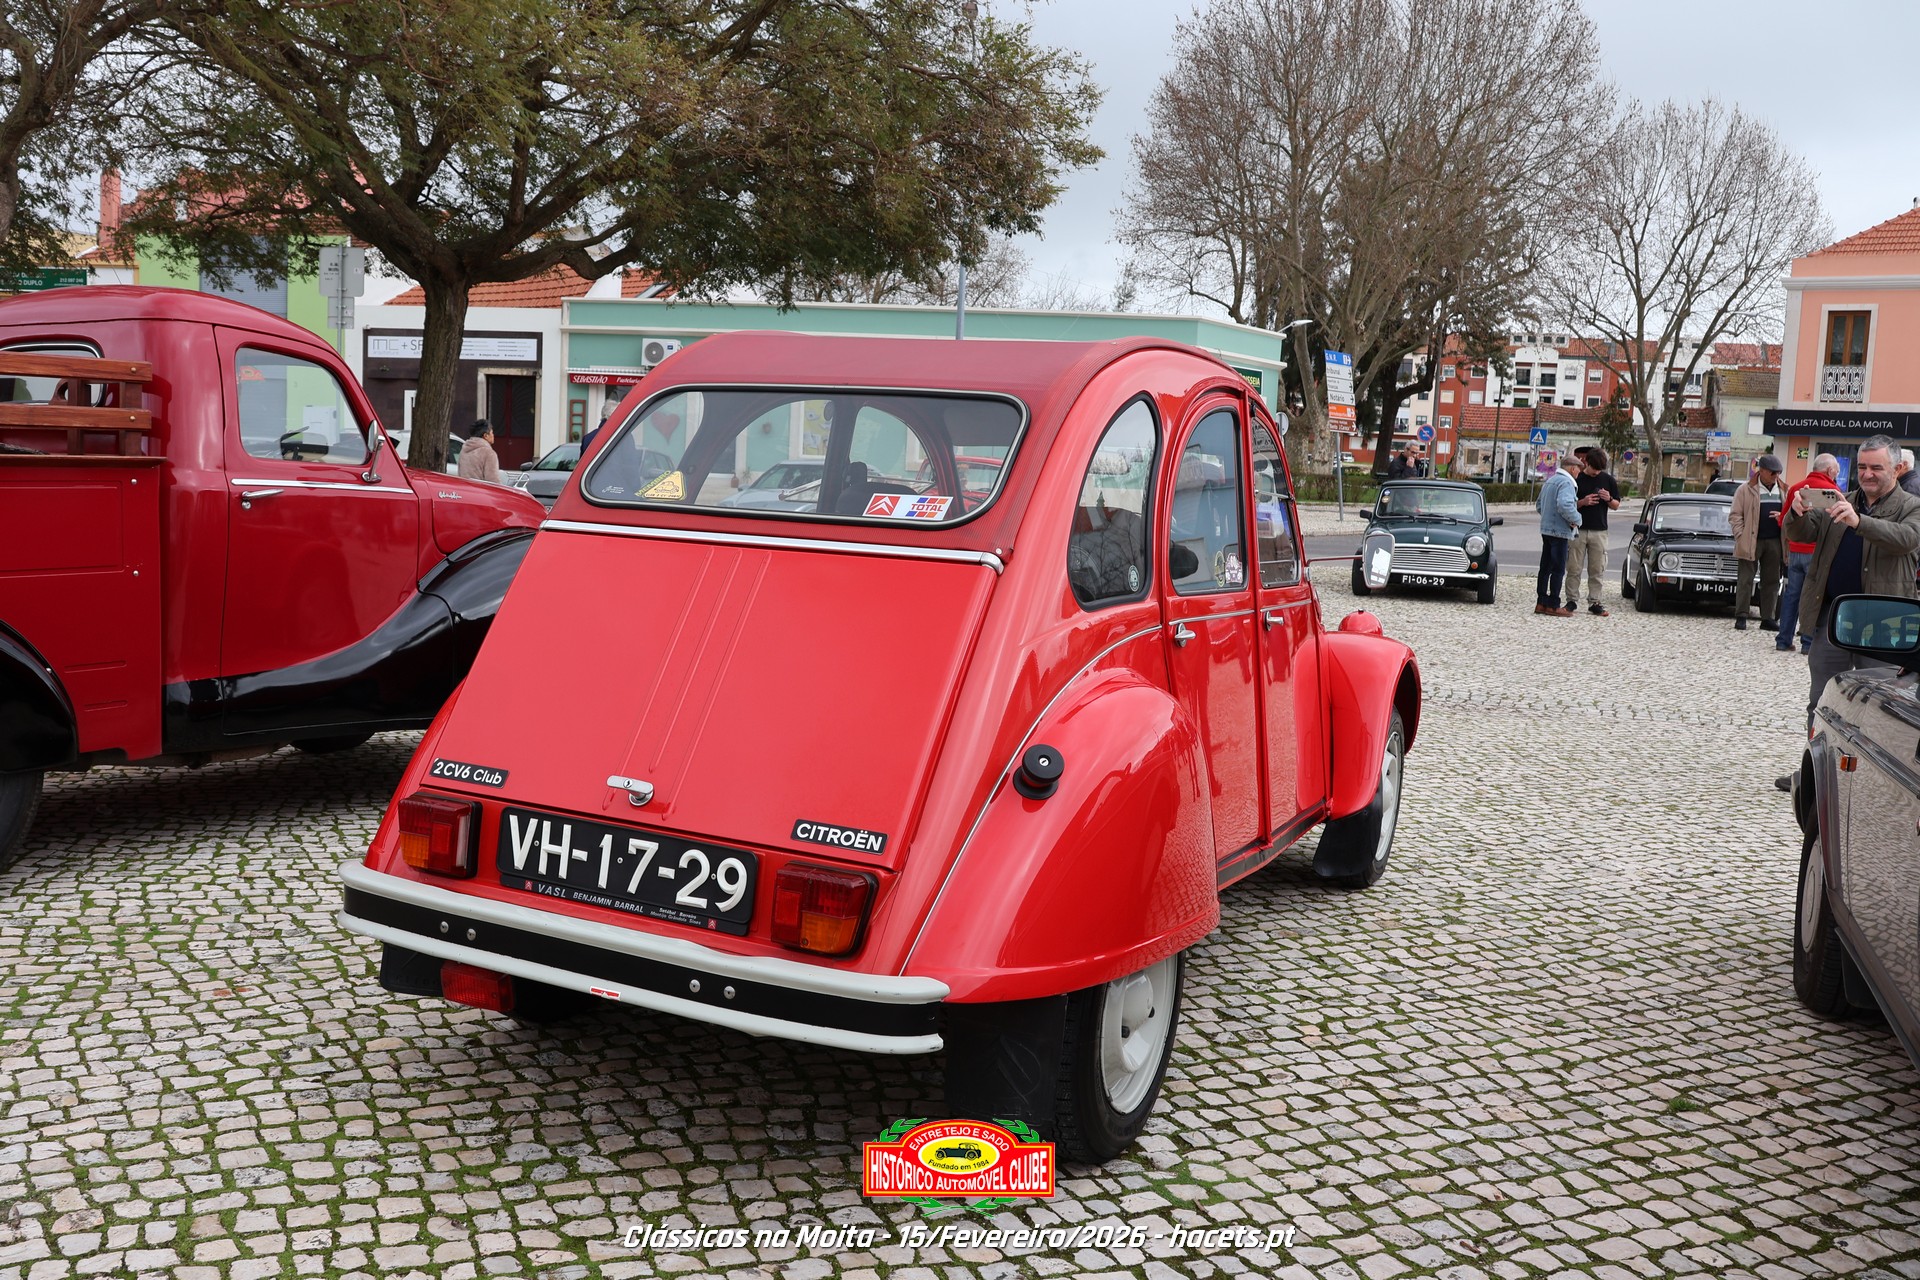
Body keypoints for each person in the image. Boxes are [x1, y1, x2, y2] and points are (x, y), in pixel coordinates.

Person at [1779, 435, 1920, 787]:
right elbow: (1802, 533)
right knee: (1821, 699)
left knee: (1884, 707)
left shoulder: (1912, 506)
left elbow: (1906, 539)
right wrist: (1796, 512)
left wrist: (1859, 522)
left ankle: (1877, 783)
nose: (1867, 474)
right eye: (1862, 467)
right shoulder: (1837, 500)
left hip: (1884, 626)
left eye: (1876, 467)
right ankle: (1814, 775)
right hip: (1833, 619)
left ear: (1896, 469)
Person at [1776, 453, 1840, 655]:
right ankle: (1807, 642)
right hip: (1817, 553)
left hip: (1795, 550)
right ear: (1830, 470)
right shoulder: (1832, 492)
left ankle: (1783, 640)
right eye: (1836, 471)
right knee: (1814, 595)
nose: (1837, 475)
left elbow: (1784, 521)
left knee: (1792, 595)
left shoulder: (1796, 488)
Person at [1730, 454, 1787, 632]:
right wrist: (1740, 535)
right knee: (1745, 579)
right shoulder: (1745, 489)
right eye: (1772, 472)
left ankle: (1768, 618)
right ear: (1761, 471)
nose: (1776, 476)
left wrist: (1782, 518)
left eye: (1778, 473)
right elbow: (1735, 515)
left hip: (1775, 541)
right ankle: (1741, 615)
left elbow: (1790, 514)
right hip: (1751, 540)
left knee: (1771, 580)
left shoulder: (1784, 489)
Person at [1564, 447, 1621, 616]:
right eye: (1594, 468)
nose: (1596, 472)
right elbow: (1567, 505)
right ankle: (1571, 601)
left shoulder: (1608, 480)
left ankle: (1595, 602)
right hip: (1578, 530)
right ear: (1586, 462)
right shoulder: (1577, 479)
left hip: (1600, 531)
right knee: (1574, 568)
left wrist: (1609, 499)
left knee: (1597, 569)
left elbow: (1616, 505)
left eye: (1599, 469)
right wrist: (1583, 502)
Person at [1535, 452, 1578, 616]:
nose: (1579, 472)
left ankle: (1541, 602)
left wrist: (1548, 517)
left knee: (1545, 567)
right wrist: (1576, 519)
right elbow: (1565, 505)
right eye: (1578, 469)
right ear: (1572, 469)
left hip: (1546, 530)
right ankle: (1553, 605)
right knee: (1558, 568)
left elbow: (1539, 505)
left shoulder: (1550, 481)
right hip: (1560, 531)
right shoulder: (1566, 483)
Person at [458, 418, 501, 484]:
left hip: (464, 488)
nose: (493, 435)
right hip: (480, 489)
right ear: (485, 436)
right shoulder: (489, 453)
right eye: (492, 433)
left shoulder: (464, 450)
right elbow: (493, 481)